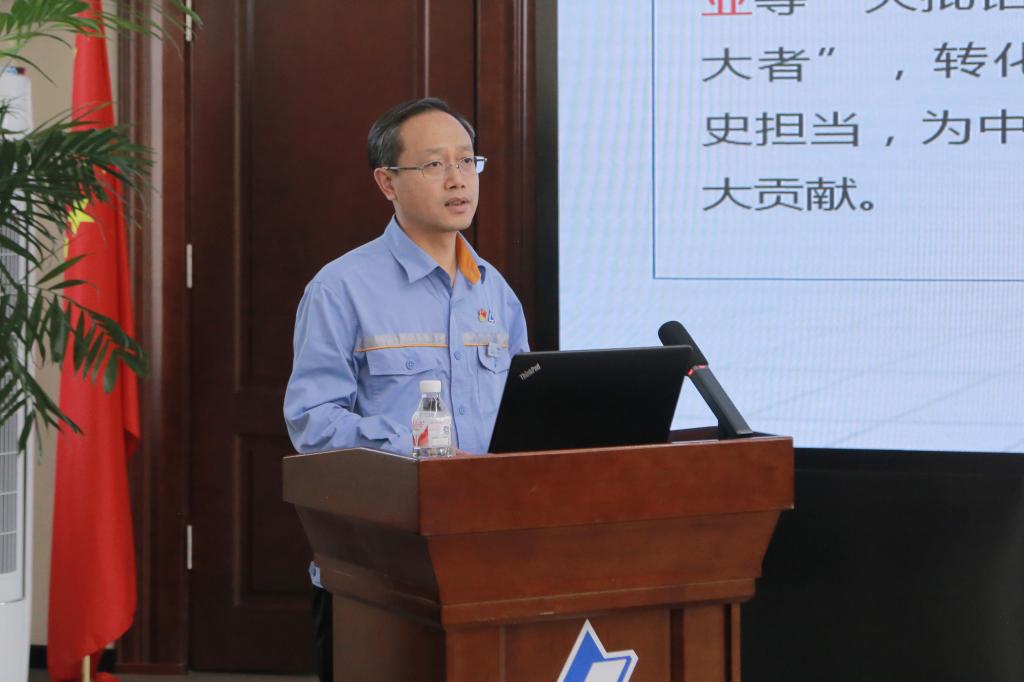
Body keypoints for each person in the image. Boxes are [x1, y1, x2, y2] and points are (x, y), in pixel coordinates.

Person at [282, 97, 529, 682]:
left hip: (490, 562)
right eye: (435, 164)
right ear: (387, 182)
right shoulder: (341, 288)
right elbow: (313, 422)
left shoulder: (495, 292)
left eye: (467, 162)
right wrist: (422, 452)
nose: (457, 180)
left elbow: (522, 416)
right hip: (379, 572)